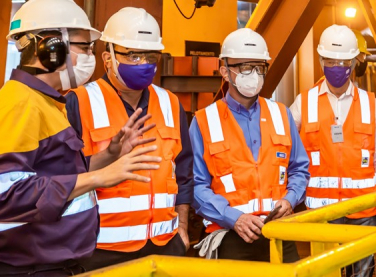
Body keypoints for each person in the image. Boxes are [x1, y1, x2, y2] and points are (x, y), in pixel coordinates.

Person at [0, 1, 161, 276]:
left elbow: (54, 173)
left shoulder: (47, 102)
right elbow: (7, 193)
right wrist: (101, 177)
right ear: (51, 47)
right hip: (30, 268)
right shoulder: (20, 102)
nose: (90, 56)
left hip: (52, 264)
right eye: (84, 47)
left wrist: (109, 155)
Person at [66, 7, 193, 270]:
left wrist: (181, 227)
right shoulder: (79, 102)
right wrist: (109, 156)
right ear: (107, 58)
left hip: (165, 247)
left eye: (150, 55)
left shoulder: (170, 103)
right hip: (101, 252)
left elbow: (184, 172)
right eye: (133, 55)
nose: (144, 63)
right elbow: (65, 178)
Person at [190, 28, 310, 261]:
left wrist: (290, 199)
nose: (254, 75)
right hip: (231, 237)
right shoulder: (204, 121)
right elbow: (195, 186)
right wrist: (233, 217)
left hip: (280, 233)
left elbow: (299, 169)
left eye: (259, 67)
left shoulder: (281, 114)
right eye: (245, 67)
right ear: (225, 71)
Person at [290, 24, 376, 277]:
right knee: (324, 273)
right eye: (330, 60)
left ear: (353, 63)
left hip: (363, 211)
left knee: (362, 273)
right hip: (322, 214)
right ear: (320, 61)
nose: (337, 67)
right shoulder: (302, 103)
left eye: (343, 62)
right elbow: (286, 152)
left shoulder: (372, 105)